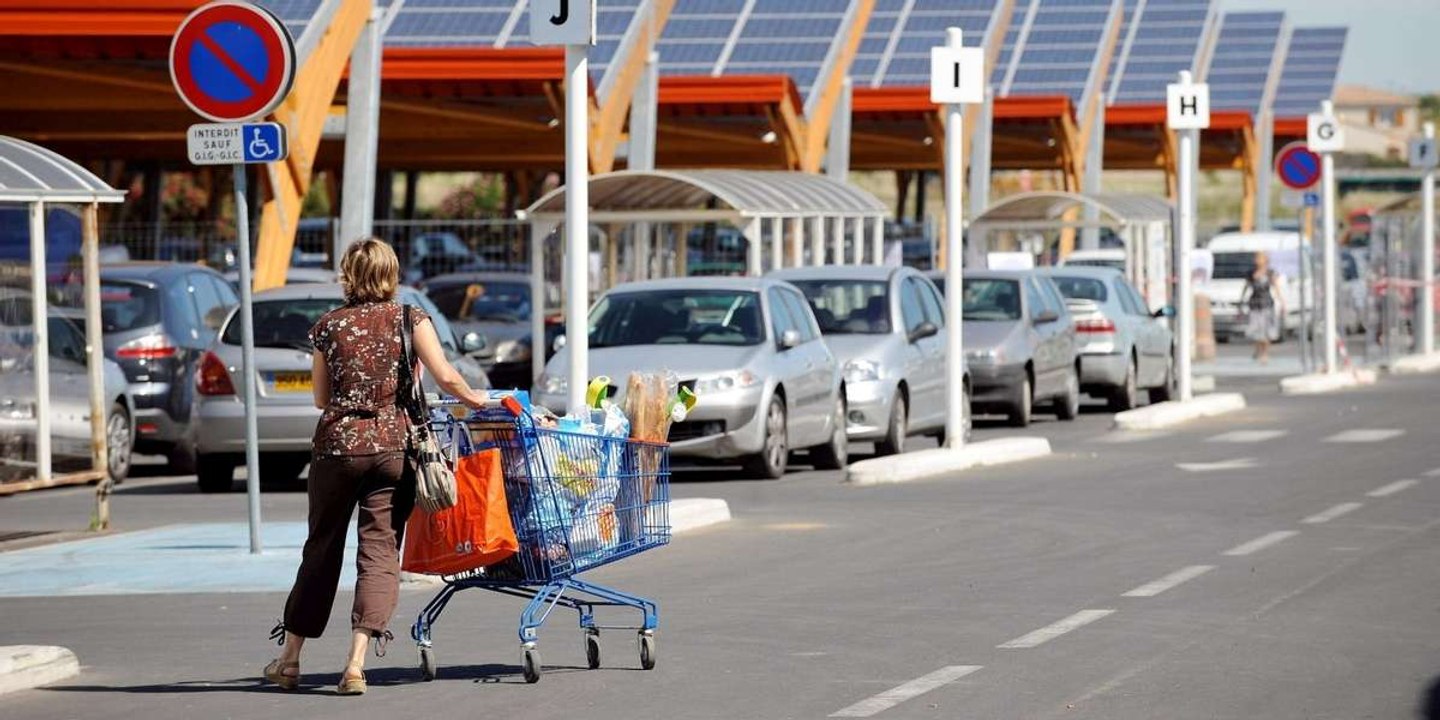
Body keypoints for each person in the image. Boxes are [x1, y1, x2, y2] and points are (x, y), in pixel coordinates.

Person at [264, 238, 489, 695]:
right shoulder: (410, 319)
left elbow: (321, 399)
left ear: (348, 273)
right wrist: (479, 399)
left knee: (321, 549)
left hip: (336, 451)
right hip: (392, 451)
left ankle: (289, 660)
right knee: (380, 550)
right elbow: (446, 375)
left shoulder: (328, 326)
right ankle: (355, 664)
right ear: (392, 273)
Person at [1239, 251, 1284, 364]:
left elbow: (1276, 288)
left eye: (1259, 258)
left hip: (1267, 304)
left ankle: (1265, 353)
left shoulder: (1270, 273)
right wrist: (1241, 302)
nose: (1257, 260)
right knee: (1256, 329)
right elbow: (1246, 288)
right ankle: (1258, 349)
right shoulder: (1251, 273)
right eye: (1256, 258)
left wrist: (1282, 303)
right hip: (1255, 304)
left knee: (1266, 330)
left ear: (1265, 260)